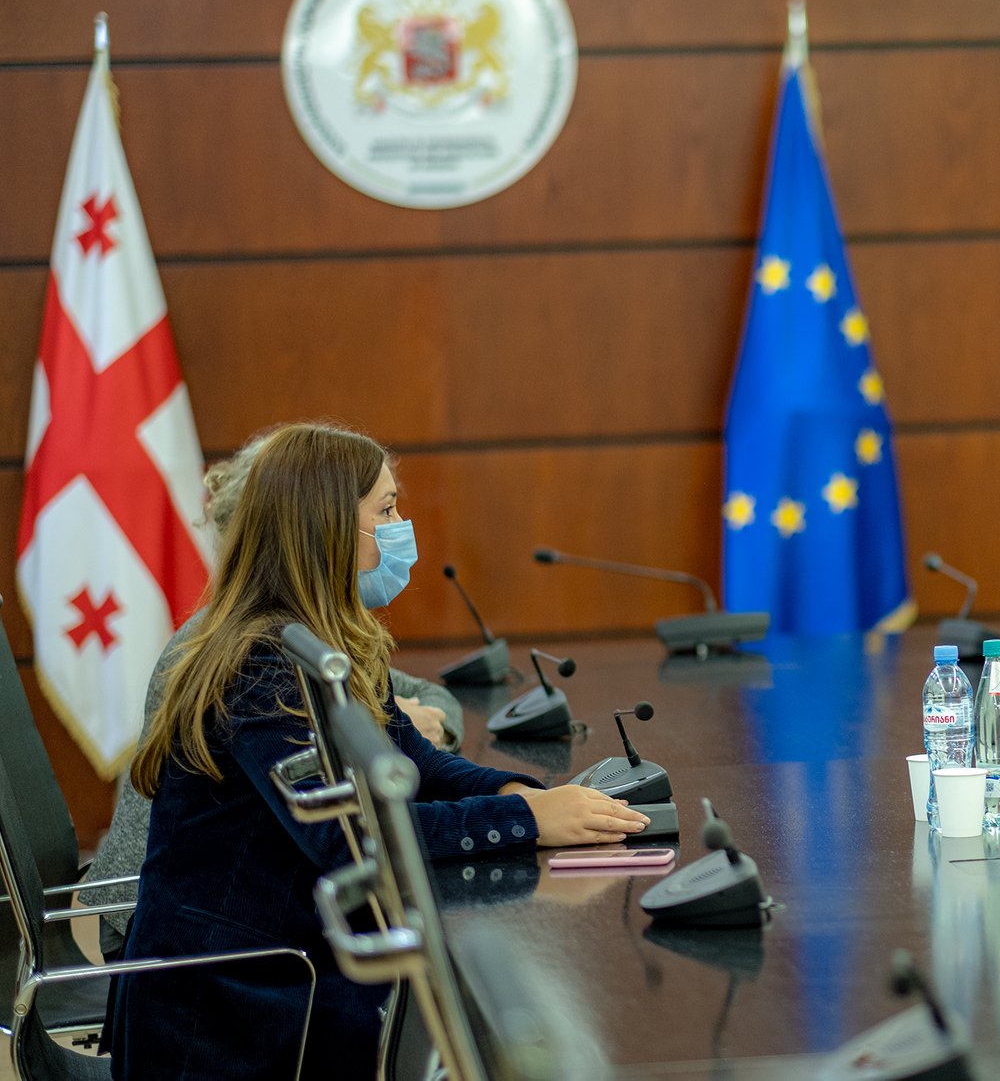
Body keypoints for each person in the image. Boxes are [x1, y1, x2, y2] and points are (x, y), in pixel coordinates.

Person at [107, 423, 648, 1079]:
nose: (401, 528)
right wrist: (525, 821)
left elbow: (415, 757)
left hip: (293, 967)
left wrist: (516, 794)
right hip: (225, 1009)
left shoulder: (325, 636)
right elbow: (351, 838)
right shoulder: (258, 663)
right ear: (328, 528)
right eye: (386, 511)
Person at [80, 435, 463, 960]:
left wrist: (399, 730)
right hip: (187, 932)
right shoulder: (244, 651)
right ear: (316, 528)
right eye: (386, 510)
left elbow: (423, 702)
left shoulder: (315, 629)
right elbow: (339, 834)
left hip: (247, 909)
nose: (399, 525)